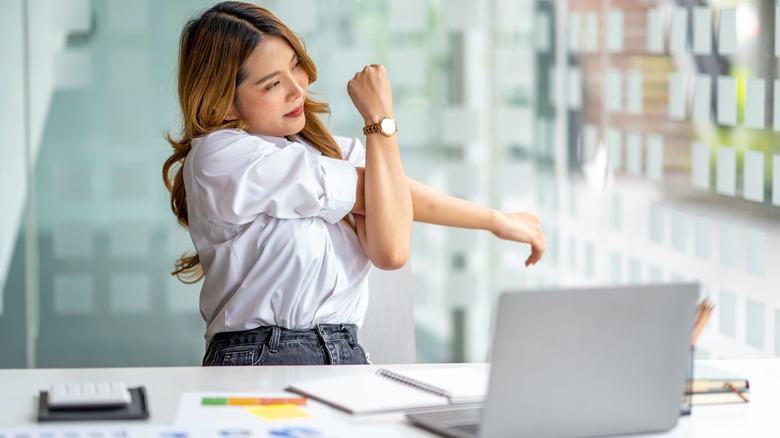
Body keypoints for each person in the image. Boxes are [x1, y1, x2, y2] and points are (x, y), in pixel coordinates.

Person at [162, 1, 545, 366]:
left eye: (296, 66)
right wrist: (380, 118)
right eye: (271, 84)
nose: (298, 88)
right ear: (225, 103)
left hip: (347, 353)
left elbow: (390, 248)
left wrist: (498, 219)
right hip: (260, 356)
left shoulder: (338, 153)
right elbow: (384, 200)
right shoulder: (220, 156)